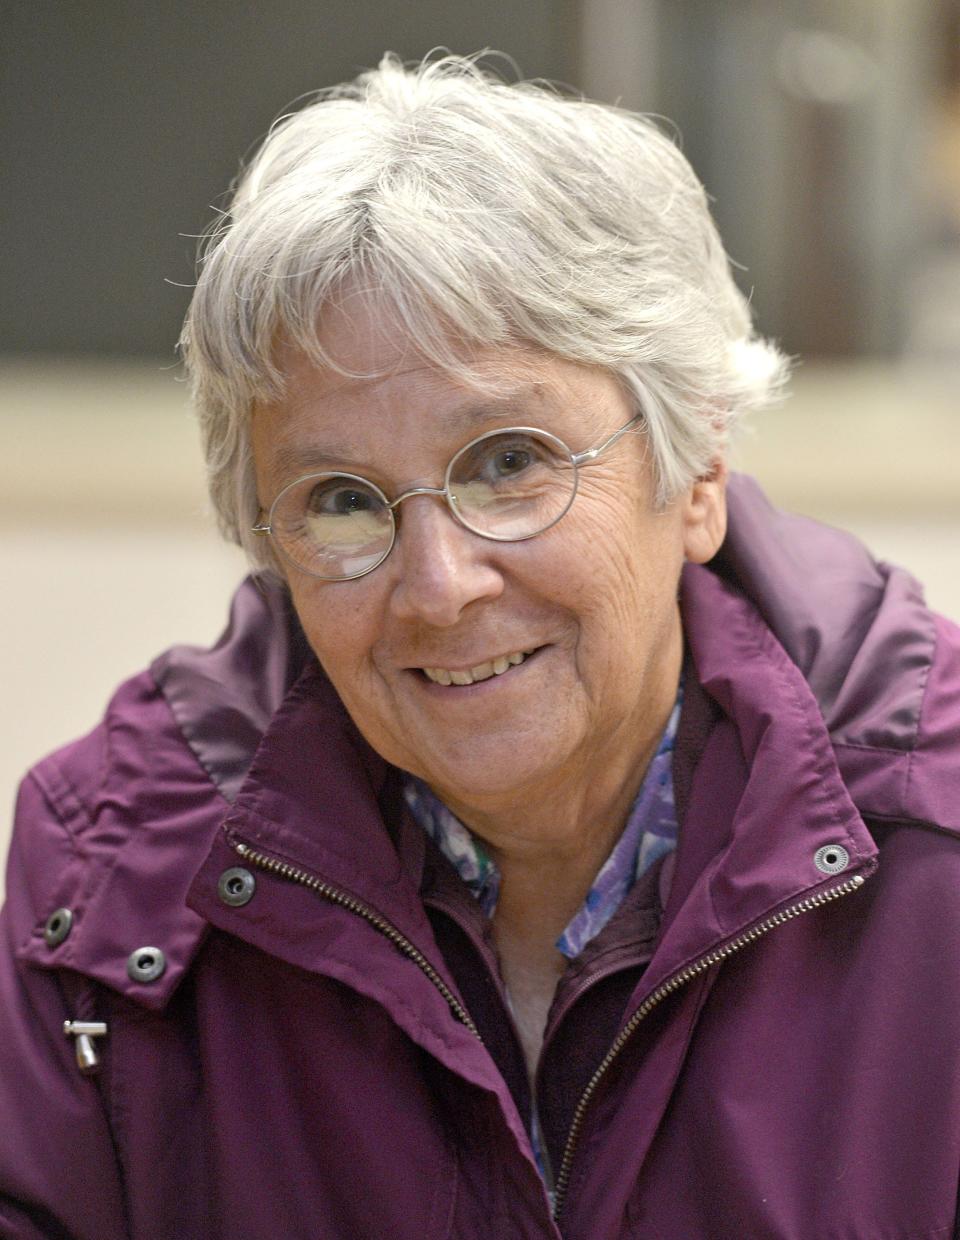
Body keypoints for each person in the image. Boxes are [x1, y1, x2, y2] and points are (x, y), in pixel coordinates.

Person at [2, 52, 959, 1240]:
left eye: (510, 464)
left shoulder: (938, 845)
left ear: (697, 466)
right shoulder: (110, 880)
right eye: (343, 499)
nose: (438, 587)